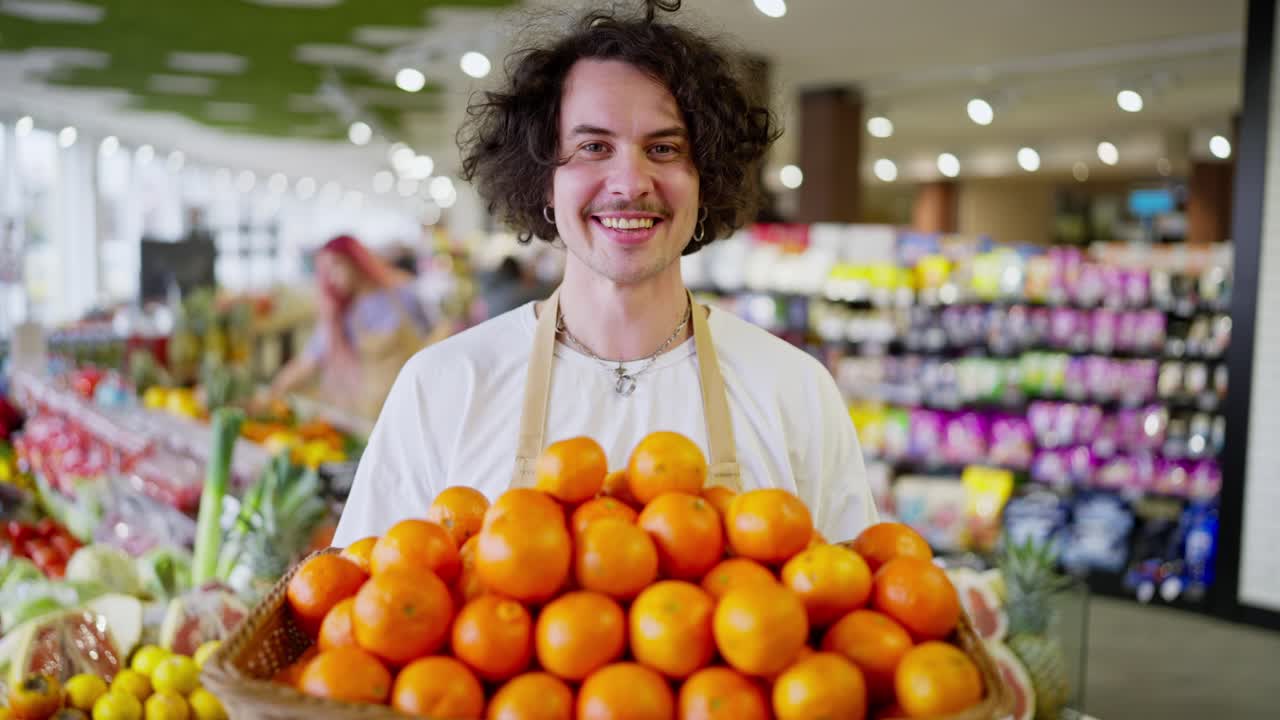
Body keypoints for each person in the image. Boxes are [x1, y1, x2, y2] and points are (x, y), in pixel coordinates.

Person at [333, 0, 878, 546]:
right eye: (593, 147)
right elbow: (360, 604)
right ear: (544, 179)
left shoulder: (795, 389)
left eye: (663, 149)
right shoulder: (444, 385)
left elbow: (864, 611)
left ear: (705, 180)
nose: (629, 181)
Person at [269, 234, 434, 423]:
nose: (331, 279)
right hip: (373, 413)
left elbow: (433, 340)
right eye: (326, 272)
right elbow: (308, 362)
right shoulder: (343, 314)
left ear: (356, 261)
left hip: (414, 405)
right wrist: (275, 390)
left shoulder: (404, 295)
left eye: (335, 267)